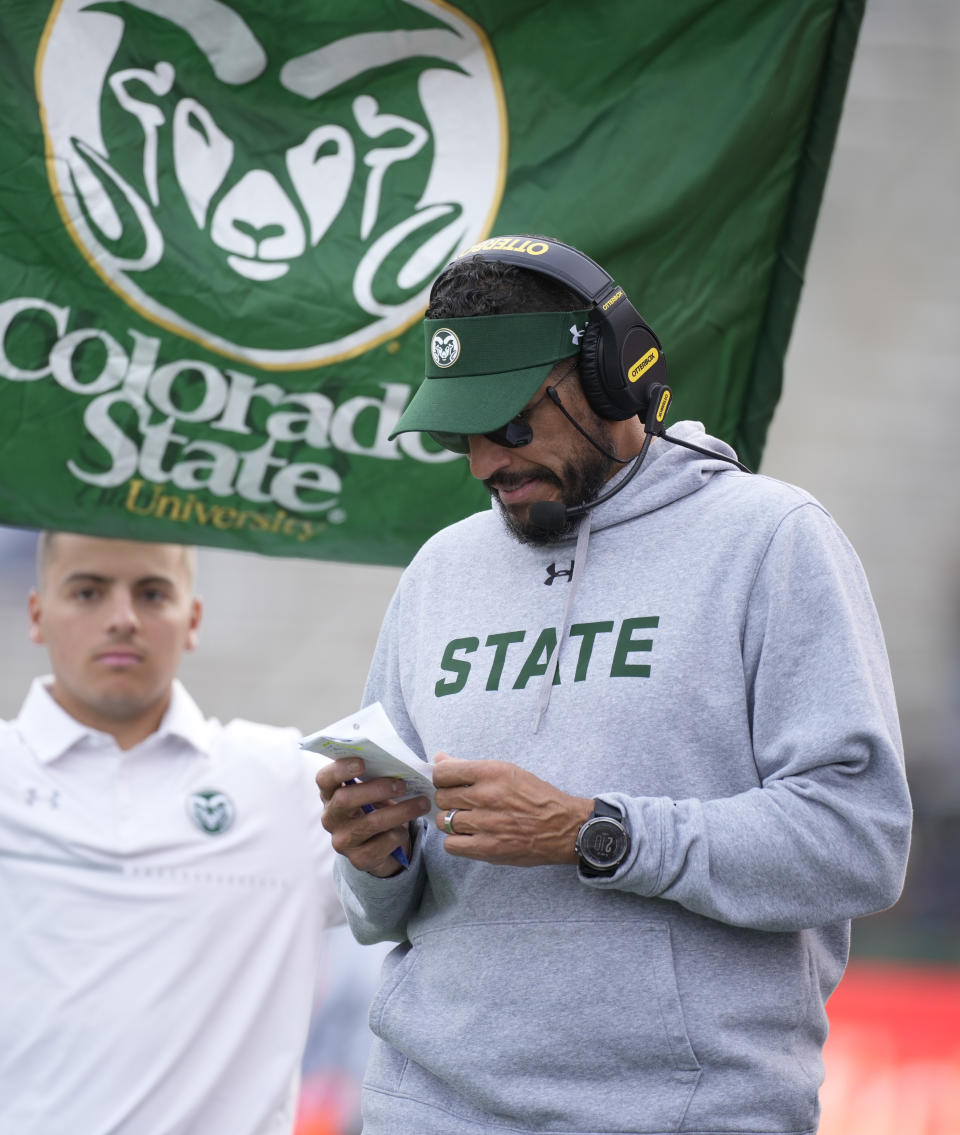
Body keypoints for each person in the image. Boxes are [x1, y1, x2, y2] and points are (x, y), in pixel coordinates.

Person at [317, 235, 912, 1135]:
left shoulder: (773, 540)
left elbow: (857, 841)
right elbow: (382, 913)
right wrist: (376, 858)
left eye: (513, 424)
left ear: (607, 378)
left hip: (681, 1114)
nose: (488, 463)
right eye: (462, 437)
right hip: (425, 1110)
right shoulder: (440, 570)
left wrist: (599, 831)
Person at [0, 531, 344, 1135]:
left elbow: (454, 858)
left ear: (193, 617)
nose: (123, 619)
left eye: (152, 593)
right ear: (37, 614)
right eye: (88, 592)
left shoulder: (287, 781)